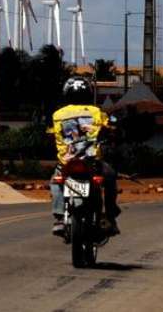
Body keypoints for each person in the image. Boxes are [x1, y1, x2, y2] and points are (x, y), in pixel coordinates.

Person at [49, 76, 120, 237]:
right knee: (110, 177)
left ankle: (59, 217)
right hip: (91, 161)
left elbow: (50, 133)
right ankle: (109, 216)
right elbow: (110, 127)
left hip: (67, 162)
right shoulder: (96, 112)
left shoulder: (57, 115)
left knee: (55, 182)